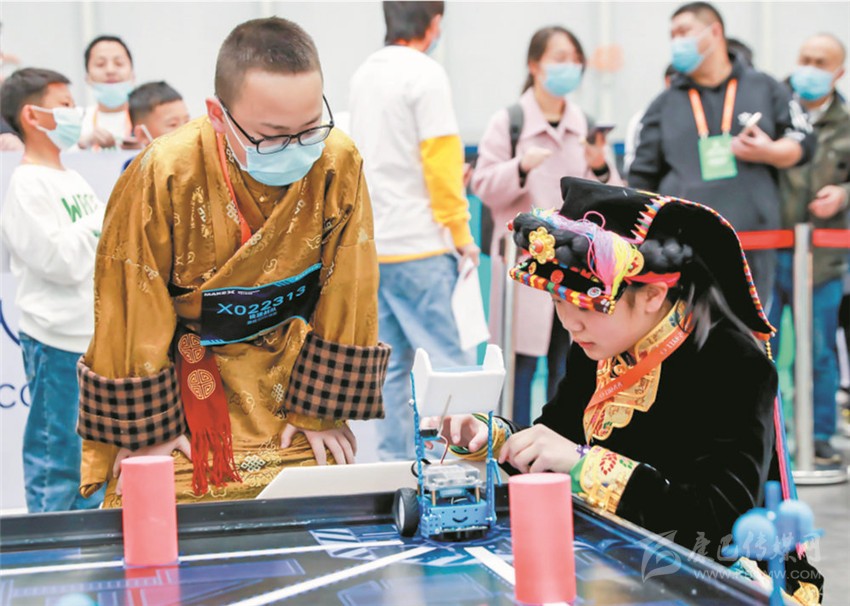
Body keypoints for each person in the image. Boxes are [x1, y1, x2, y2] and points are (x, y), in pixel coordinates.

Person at [432, 177, 823, 605]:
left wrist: (584, 465)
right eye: (559, 301)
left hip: (711, 582)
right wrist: (496, 438)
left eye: (586, 305)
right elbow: (556, 440)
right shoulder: (598, 343)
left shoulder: (731, 363)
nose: (569, 322)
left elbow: (718, 527)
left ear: (653, 294)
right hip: (615, 563)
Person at [76, 17, 390, 506]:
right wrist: (149, 428)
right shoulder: (165, 170)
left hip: (292, 383)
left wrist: (321, 410)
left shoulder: (336, 159)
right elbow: (130, 295)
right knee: (158, 504)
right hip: (185, 381)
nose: (297, 148)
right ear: (217, 115)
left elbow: (351, 282)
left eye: (311, 128)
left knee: (321, 499)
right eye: (272, 135)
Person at [471, 25, 622, 426]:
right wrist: (520, 167)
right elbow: (483, 186)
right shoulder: (510, 122)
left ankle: (561, 444)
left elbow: (613, 198)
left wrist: (600, 166)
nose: (569, 67)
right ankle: (511, 440)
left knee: (570, 364)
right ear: (534, 65)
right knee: (517, 367)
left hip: (575, 266)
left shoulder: (586, 124)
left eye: (575, 59)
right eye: (559, 58)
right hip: (524, 268)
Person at [348, 1, 479, 460]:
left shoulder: (364, 75)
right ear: (434, 23)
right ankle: (459, 469)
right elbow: (441, 164)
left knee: (390, 370)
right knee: (449, 365)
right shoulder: (426, 75)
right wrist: (461, 235)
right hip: (421, 245)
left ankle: (394, 471)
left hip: (373, 249)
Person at [628, 2, 815, 311]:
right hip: (684, 245)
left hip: (754, 240)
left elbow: (804, 141)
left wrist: (771, 151)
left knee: (748, 328)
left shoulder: (764, 87)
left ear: (714, 32)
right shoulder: (664, 103)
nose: (677, 42)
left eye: (684, 32)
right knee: (691, 329)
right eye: (672, 35)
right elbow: (641, 176)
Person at [0, 68, 105, 512]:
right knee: (57, 456)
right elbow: (59, 261)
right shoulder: (27, 184)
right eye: (64, 105)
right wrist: (99, 223)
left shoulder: (72, 178)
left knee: (92, 459)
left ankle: (87, 543)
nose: (74, 114)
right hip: (55, 341)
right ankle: (51, 546)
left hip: (89, 337)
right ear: (32, 115)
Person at [771, 33, 850, 466]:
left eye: (821, 62)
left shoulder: (846, 122)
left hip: (823, 256)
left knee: (819, 350)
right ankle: (767, 437)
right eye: (806, 58)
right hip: (768, 251)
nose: (810, 68)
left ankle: (818, 435)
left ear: (838, 73)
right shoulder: (774, 110)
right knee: (763, 349)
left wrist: (843, 193)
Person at [78, 35, 138, 150]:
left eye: (119, 63)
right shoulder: (78, 121)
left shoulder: (149, 121)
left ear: (133, 75)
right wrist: (82, 146)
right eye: (100, 64)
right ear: (87, 77)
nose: (110, 70)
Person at [121, 81, 190, 170]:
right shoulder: (132, 175)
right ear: (142, 134)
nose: (185, 130)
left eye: (187, 122)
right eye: (173, 124)